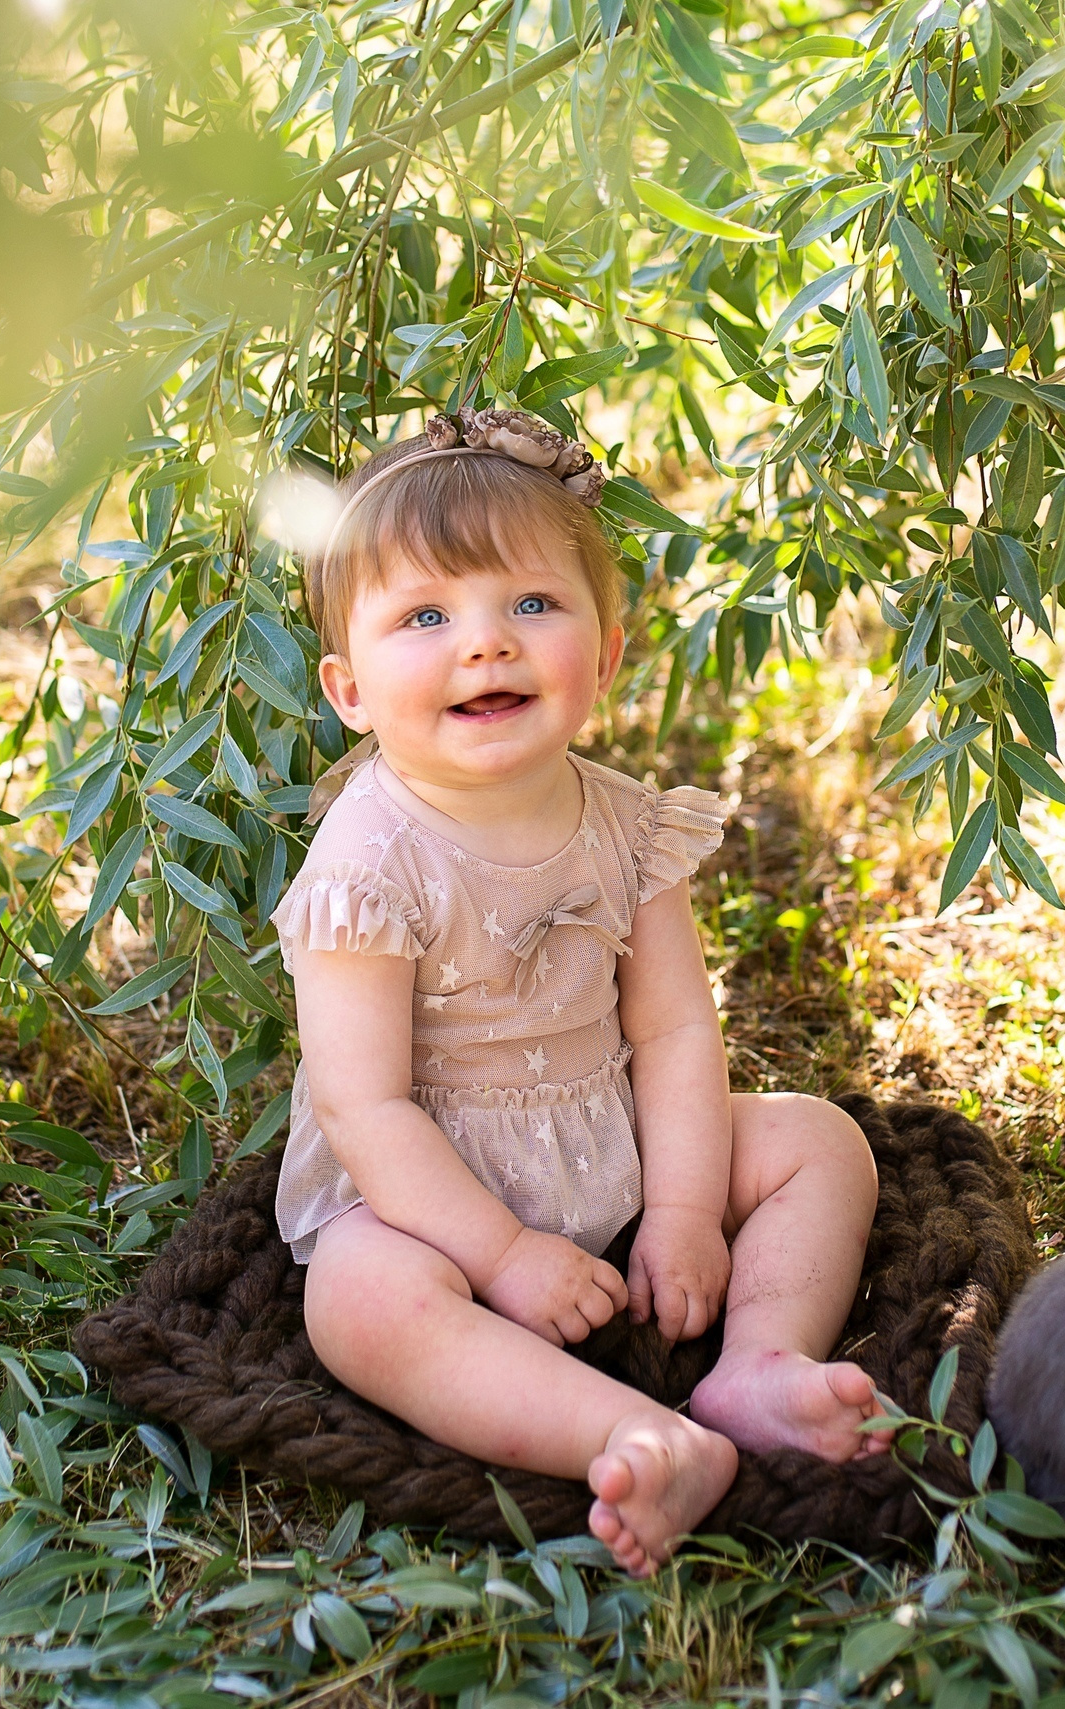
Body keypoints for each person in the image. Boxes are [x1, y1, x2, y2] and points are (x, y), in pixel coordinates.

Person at [271, 408, 885, 1576]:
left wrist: (686, 1210)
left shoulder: (625, 823)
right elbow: (366, 1107)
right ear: (349, 689)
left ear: (604, 655)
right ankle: (631, 1432)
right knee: (357, 1302)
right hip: (430, 1186)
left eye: (532, 604)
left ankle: (756, 1361)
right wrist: (502, 1254)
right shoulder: (363, 866)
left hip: (608, 1132)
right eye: (426, 617)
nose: (486, 644)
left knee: (820, 1141)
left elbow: (671, 1025)